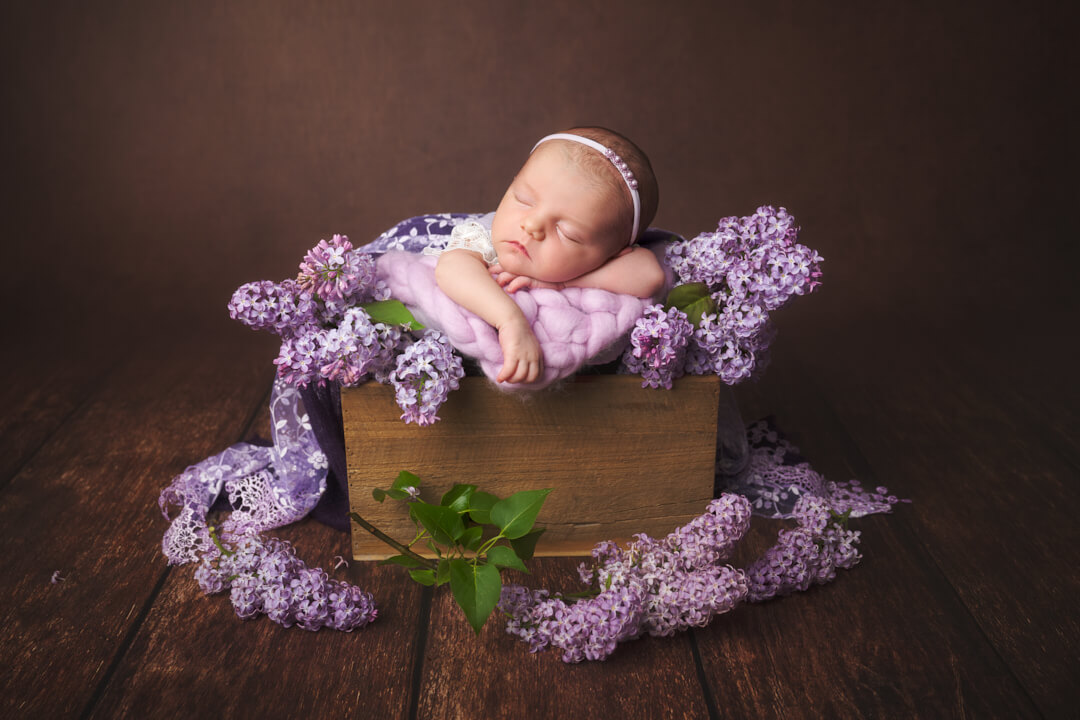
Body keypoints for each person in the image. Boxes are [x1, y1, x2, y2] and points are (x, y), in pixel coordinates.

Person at [431, 127, 664, 384]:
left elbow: (650, 276)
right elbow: (452, 268)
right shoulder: (486, 235)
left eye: (567, 233)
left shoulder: (601, 263)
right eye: (523, 199)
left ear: (611, 255)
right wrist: (509, 320)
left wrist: (562, 282)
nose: (531, 225)